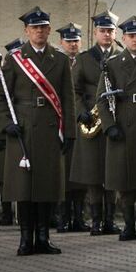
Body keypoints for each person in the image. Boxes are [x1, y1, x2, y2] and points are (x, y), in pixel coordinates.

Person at [0, 6, 76, 256]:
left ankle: (43, 237)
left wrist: (69, 132)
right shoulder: (15, 58)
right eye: (34, 28)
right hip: (23, 130)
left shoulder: (59, 60)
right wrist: (6, 123)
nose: (39, 31)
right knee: (24, 188)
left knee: (46, 187)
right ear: (27, 31)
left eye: (43, 27)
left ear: (49, 30)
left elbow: (68, 99)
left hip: (50, 130)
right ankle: (25, 239)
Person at [97, 16, 136, 242]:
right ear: (123, 38)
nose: (135, 39)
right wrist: (109, 126)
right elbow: (102, 99)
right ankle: (128, 226)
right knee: (124, 179)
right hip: (122, 124)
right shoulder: (113, 64)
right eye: (131, 36)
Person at [72, 10, 122, 236]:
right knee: (93, 174)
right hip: (90, 121)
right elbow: (74, 90)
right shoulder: (84, 59)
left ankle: (110, 220)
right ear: (95, 33)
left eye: (110, 31)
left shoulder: (120, 56)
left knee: (111, 171)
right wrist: (80, 111)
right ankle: (95, 221)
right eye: (103, 31)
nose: (107, 35)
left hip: (113, 119)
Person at [55, 22, 88, 233]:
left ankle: (79, 216)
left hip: (82, 124)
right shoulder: (57, 62)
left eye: (76, 40)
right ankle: (64, 217)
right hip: (62, 122)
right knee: (64, 173)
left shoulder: (84, 62)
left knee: (81, 173)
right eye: (69, 41)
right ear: (61, 43)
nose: (73, 44)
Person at [0, 38, 23, 227]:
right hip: (6, 133)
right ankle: (6, 212)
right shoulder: (3, 74)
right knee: (5, 176)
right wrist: (1, 132)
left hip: (24, 128)